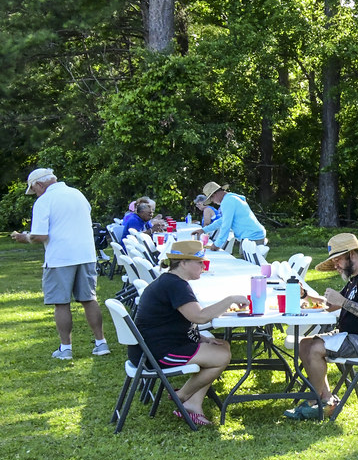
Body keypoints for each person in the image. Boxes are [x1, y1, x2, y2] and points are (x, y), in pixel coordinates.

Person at [131, 240, 247, 427]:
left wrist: (201, 338)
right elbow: (199, 317)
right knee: (222, 356)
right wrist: (230, 299)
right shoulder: (176, 285)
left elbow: (175, 321)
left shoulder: (171, 281)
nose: (203, 266)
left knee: (222, 345)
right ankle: (182, 396)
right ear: (182, 263)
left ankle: (193, 403)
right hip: (157, 354)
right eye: (199, 262)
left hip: (156, 346)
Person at [289, 234, 358, 420]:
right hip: (352, 336)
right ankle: (327, 399)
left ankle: (314, 403)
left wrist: (344, 302)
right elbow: (332, 305)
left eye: (337, 259)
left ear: (352, 254)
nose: (335, 265)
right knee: (304, 344)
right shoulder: (356, 278)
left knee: (314, 349)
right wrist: (306, 295)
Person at [10, 168, 109, 359]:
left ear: (39, 184)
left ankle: (66, 348)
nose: (35, 194)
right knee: (89, 299)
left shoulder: (44, 201)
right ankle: (101, 343)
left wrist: (25, 237)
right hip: (86, 254)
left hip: (60, 258)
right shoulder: (77, 194)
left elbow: (40, 235)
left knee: (61, 303)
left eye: (34, 190)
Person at [198, 181, 266, 250]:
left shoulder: (227, 201)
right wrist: (204, 230)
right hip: (253, 235)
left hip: (252, 236)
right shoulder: (230, 198)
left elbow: (226, 225)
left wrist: (217, 244)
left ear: (214, 194)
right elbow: (222, 220)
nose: (214, 202)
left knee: (245, 261)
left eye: (211, 199)